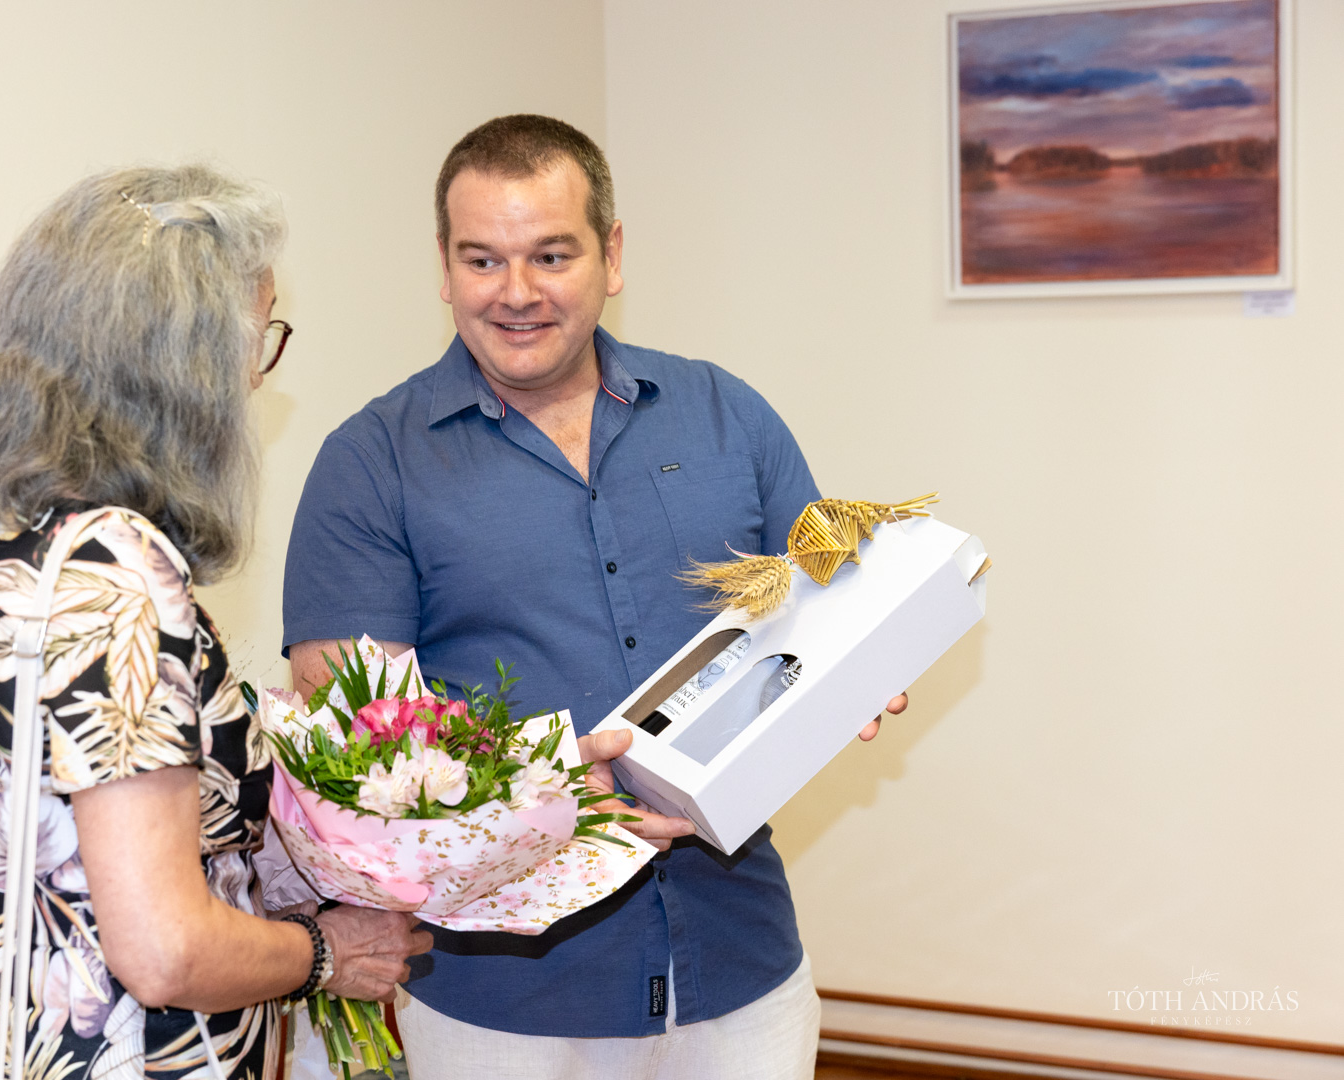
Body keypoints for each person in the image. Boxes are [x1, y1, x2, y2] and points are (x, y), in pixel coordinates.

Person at [282, 115, 906, 1079]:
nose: (516, 292)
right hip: (505, 1006)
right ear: (444, 267)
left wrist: (861, 666)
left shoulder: (725, 414)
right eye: (482, 259)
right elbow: (353, 754)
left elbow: (825, 611)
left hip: (742, 968)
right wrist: (551, 790)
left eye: (551, 255)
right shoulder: (370, 463)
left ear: (611, 256)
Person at [0, 164, 431, 1080]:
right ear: (183, 365)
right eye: (254, 341)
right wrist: (328, 953)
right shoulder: (116, 576)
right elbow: (165, 949)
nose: (253, 381)